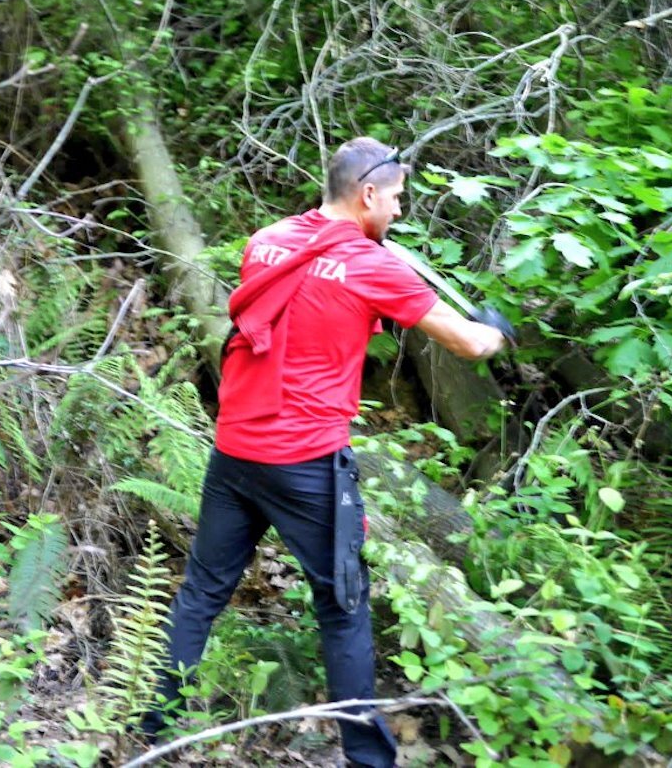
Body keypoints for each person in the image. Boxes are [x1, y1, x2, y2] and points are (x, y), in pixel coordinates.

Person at [141, 136, 508, 767]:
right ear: (367, 194)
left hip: (235, 448)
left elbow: (304, 300)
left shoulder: (267, 242)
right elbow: (468, 346)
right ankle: (368, 761)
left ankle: (155, 726)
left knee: (202, 588)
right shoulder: (373, 266)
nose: (397, 211)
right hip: (305, 462)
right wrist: (496, 329)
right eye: (394, 199)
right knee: (343, 607)